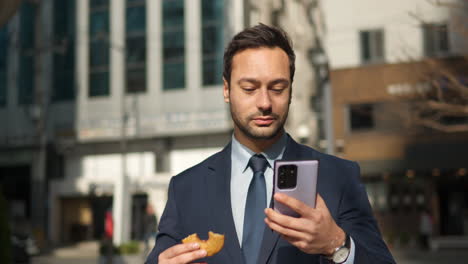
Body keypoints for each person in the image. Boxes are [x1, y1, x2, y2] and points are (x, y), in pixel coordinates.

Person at [146, 24, 395, 264]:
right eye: (249, 88)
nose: (264, 102)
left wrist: (337, 245)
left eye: (277, 88)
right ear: (226, 90)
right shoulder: (186, 188)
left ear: (290, 90)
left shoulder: (338, 177)